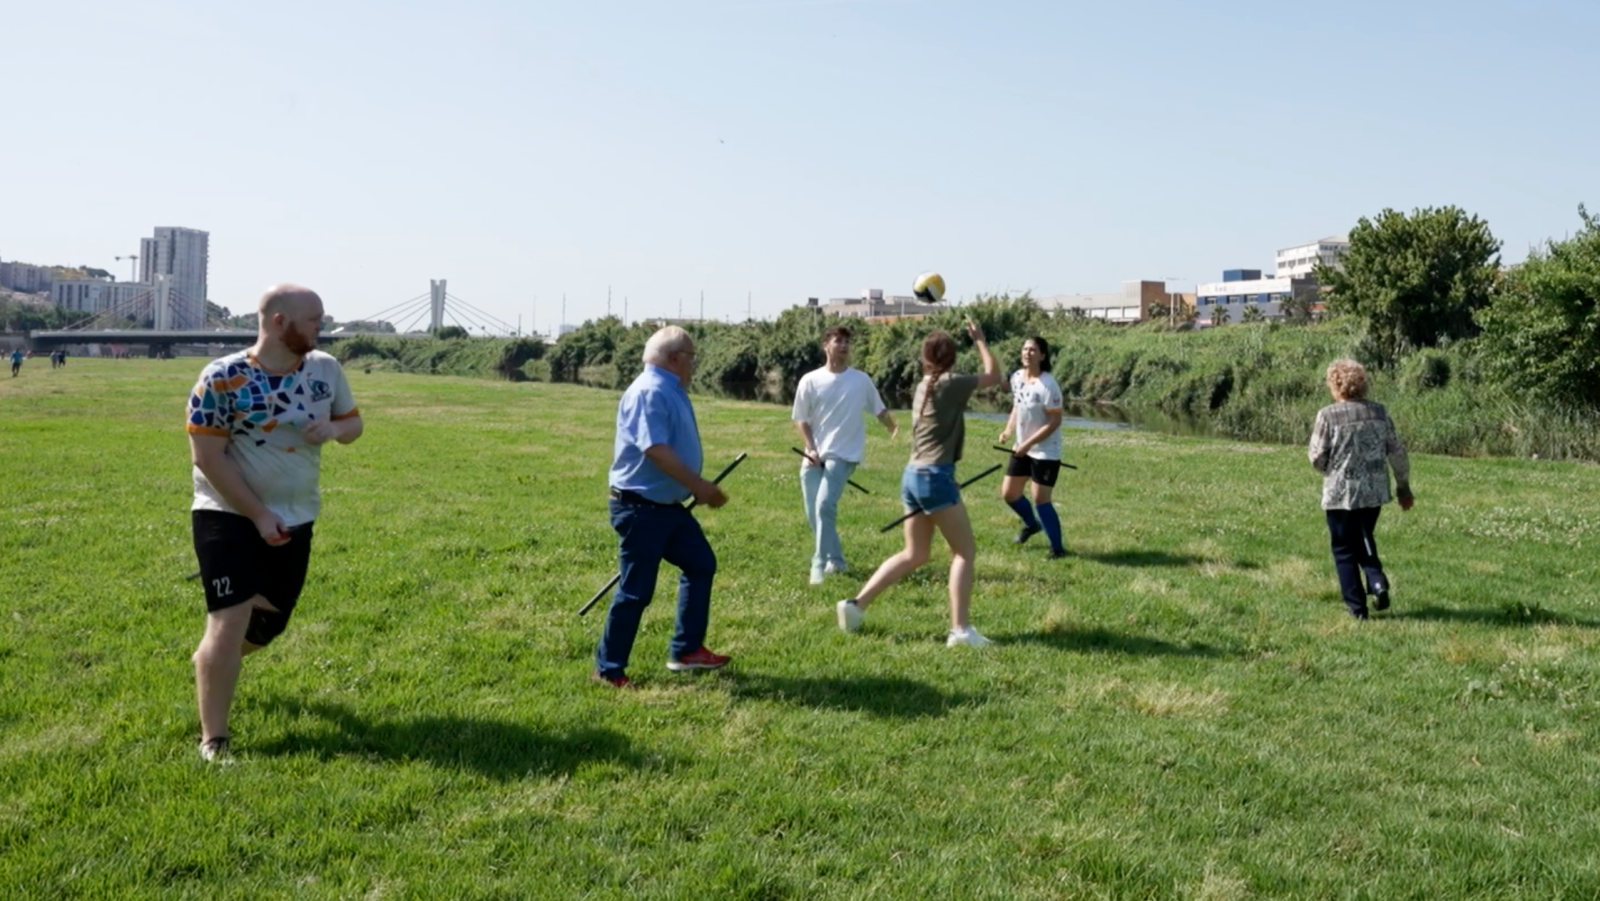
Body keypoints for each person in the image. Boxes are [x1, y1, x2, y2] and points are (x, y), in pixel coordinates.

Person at [186, 284, 363, 761]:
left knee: (267, 626)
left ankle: (210, 665)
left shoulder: (326, 369)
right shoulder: (222, 376)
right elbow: (207, 456)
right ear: (280, 321)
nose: (322, 328)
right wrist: (258, 514)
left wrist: (333, 429)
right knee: (228, 620)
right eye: (315, 320)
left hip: (297, 515)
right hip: (226, 513)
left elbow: (354, 424)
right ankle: (215, 740)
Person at [836, 319, 1003, 647]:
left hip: (914, 476)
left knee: (915, 553)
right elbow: (995, 377)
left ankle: (855, 606)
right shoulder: (950, 384)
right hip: (933, 477)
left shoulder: (924, 385)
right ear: (951, 358)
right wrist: (981, 340)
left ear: (926, 359)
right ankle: (960, 631)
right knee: (965, 552)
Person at [594, 326, 731, 688]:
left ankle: (686, 651)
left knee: (701, 564)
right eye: (691, 357)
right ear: (674, 358)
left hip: (666, 507)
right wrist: (698, 485)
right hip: (640, 509)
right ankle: (608, 670)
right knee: (636, 590)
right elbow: (654, 449)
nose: (694, 365)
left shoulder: (670, 388)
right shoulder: (650, 391)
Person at [792, 326, 898, 585]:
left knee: (825, 505)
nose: (844, 345)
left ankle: (818, 562)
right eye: (838, 341)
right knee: (813, 511)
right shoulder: (810, 380)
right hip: (813, 454)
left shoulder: (860, 380)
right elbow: (801, 419)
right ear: (825, 345)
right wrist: (811, 447)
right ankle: (837, 560)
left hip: (844, 454)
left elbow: (879, 409)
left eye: (847, 342)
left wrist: (893, 427)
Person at [1308, 359, 1413, 620]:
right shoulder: (1379, 412)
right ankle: (1376, 580)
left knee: (1344, 548)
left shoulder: (1328, 415)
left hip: (1340, 493)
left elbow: (1317, 457)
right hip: (1374, 491)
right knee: (1363, 537)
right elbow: (1397, 451)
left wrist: (1329, 469)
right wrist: (1403, 486)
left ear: (1336, 385)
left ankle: (1357, 608)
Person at [998, 336, 1067, 558]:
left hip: (1045, 451)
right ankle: (1032, 525)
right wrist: (1008, 430)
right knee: (1009, 493)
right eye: (1025, 349)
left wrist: (1028, 444)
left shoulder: (1048, 384)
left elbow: (1055, 420)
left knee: (1040, 499)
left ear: (1042, 356)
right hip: (1022, 448)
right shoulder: (1017, 377)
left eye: (1033, 350)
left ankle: (1057, 549)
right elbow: (1018, 405)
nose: (1027, 353)